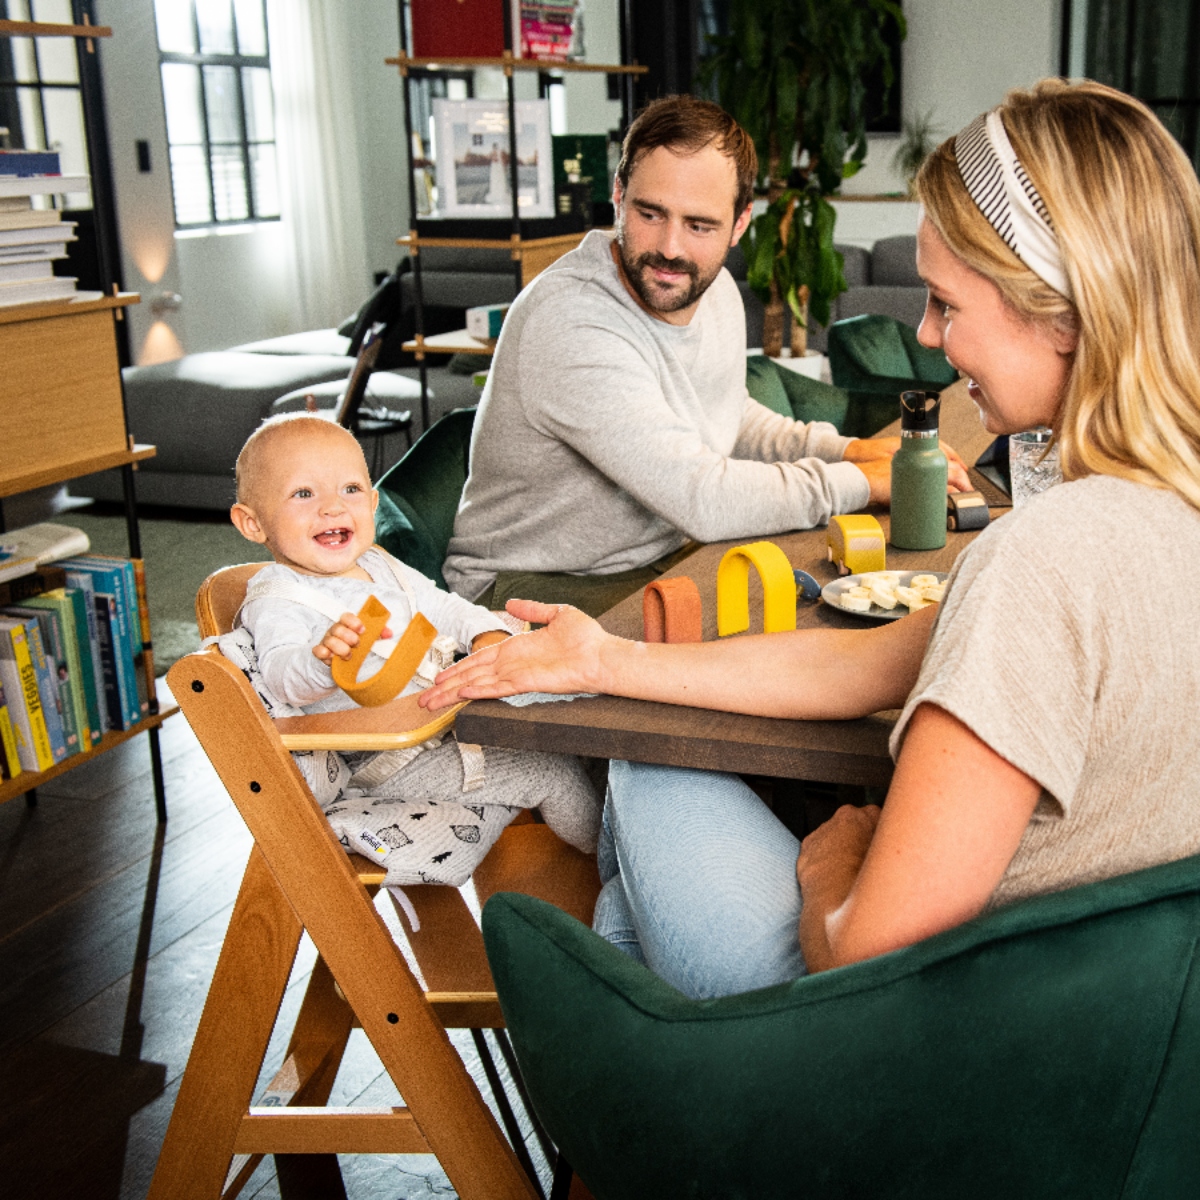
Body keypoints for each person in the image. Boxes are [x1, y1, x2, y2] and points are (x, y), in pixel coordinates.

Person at [422, 79, 1200, 998]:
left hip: (865, 1038)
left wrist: (839, 858)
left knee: (648, 757)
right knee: (651, 784)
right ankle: (646, 1077)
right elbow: (874, 664)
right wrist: (604, 662)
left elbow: (862, 949)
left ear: (1064, 314)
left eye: (946, 305)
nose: (925, 331)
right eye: (649, 210)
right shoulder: (1157, 510)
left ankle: (651, 1076)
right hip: (1070, 1024)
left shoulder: (1042, 560)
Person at [444, 95, 969, 616]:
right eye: (650, 213)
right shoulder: (571, 322)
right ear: (618, 194)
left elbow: (727, 414)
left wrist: (848, 452)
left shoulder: (708, 289)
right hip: (526, 592)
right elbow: (704, 498)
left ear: (740, 224)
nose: (671, 248)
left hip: (661, 556)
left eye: (699, 226)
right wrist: (862, 483)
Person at [227, 414, 600, 887]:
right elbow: (283, 676)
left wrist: (485, 635)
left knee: (583, 722)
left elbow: (442, 606)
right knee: (554, 772)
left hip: (446, 721)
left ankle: (584, 858)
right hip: (392, 760)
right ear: (252, 523)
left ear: (374, 501)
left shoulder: (377, 564)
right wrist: (322, 661)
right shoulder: (279, 595)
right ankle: (610, 873)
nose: (332, 509)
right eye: (304, 494)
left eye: (350, 490)